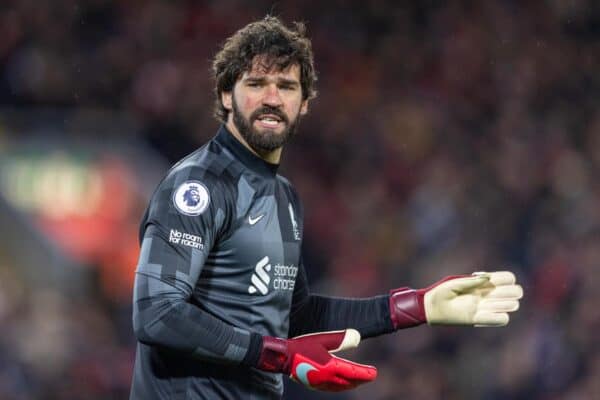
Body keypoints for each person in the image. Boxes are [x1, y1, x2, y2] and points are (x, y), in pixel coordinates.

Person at [130, 16, 523, 400]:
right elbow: (157, 313)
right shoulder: (197, 185)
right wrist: (279, 355)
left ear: (303, 104)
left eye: (286, 86)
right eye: (256, 83)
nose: (271, 98)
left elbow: (294, 317)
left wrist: (416, 306)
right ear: (225, 95)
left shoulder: (284, 198)